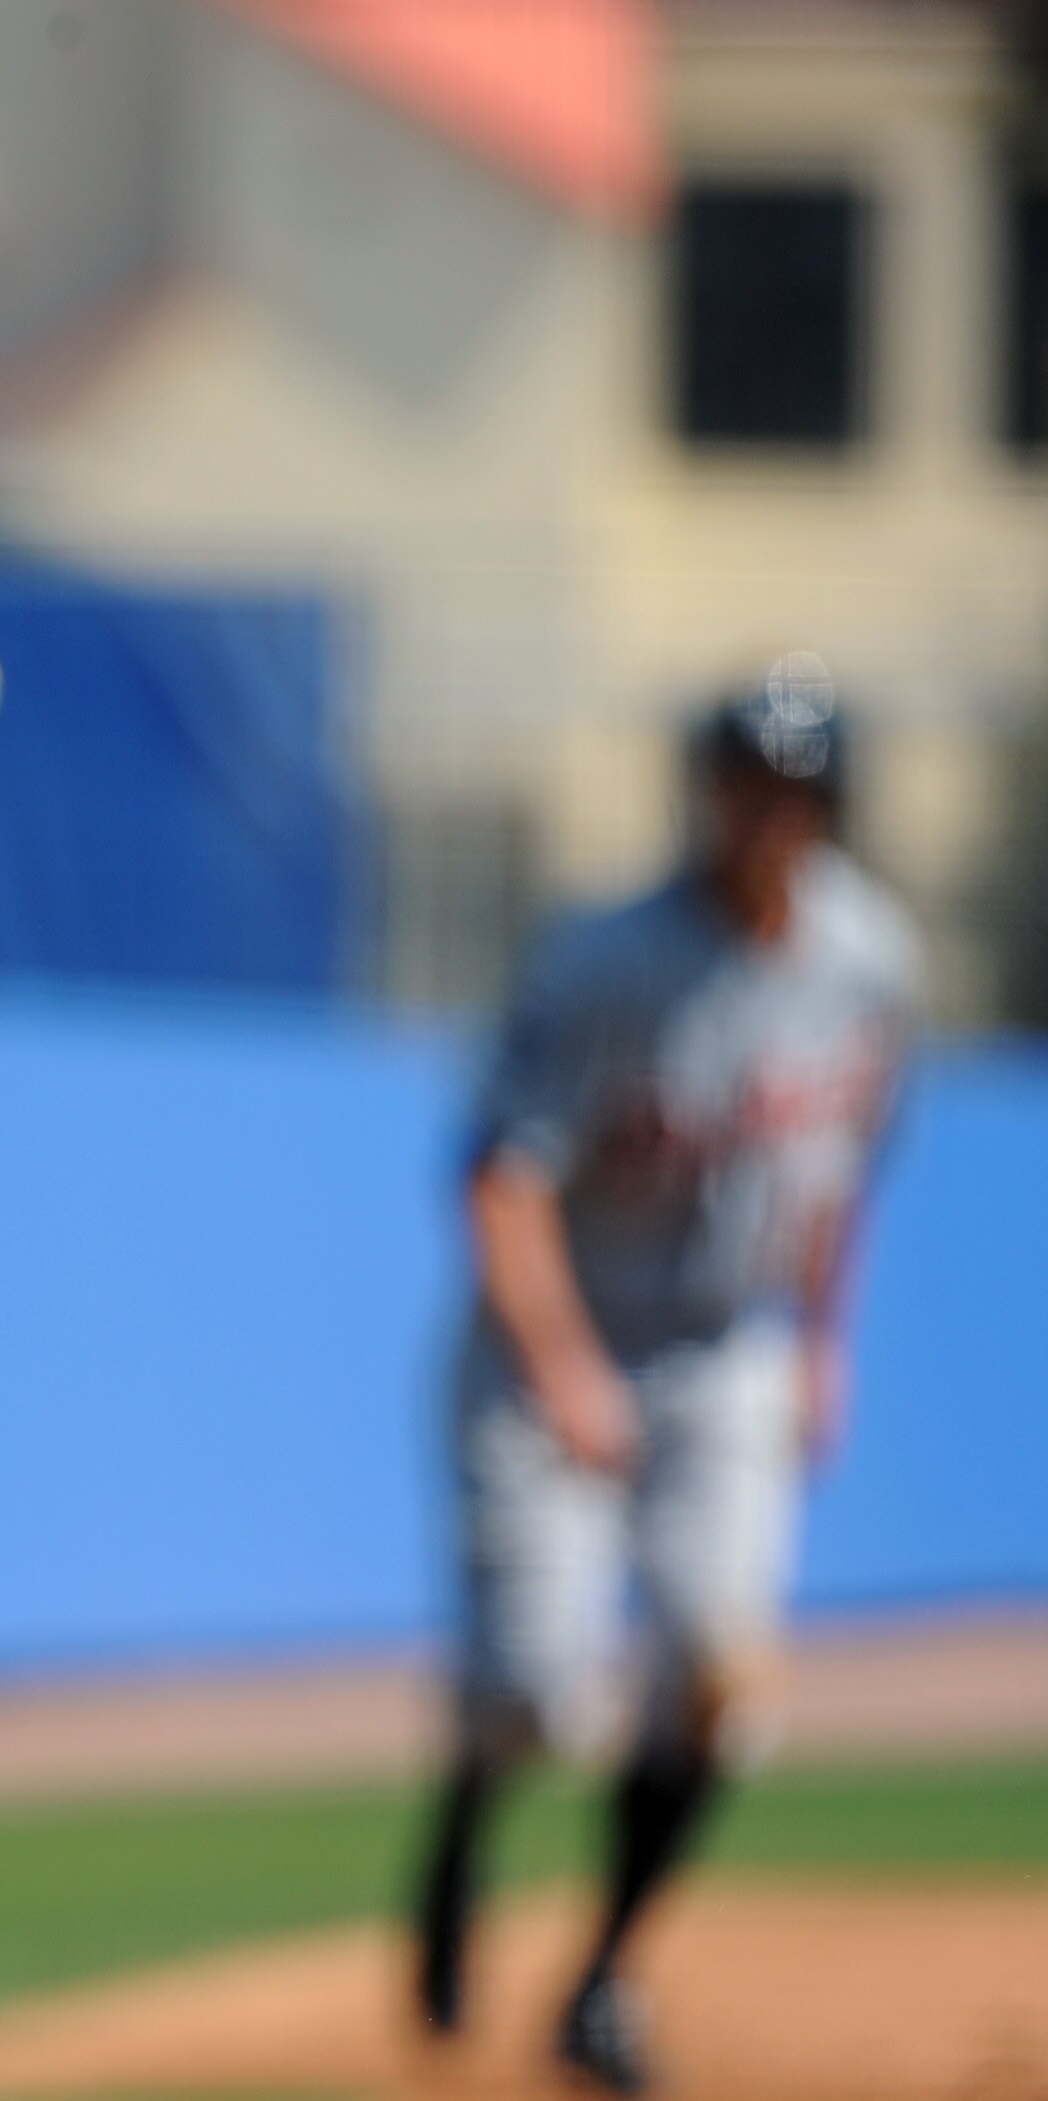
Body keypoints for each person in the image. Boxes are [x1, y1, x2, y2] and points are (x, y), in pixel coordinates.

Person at [412, 660, 921, 2093]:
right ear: (705, 797)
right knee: (536, 1698)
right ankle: (463, 1813)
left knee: (716, 1679)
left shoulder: (871, 960)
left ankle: (599, 1982)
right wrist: (569, 1374)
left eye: (799, 790)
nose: (772, 815)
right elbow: (501, 1186)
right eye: (748, 785)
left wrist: (823, 1345)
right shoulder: (601, 959)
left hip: (728, 1347)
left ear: (832, 809)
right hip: (558, 1335)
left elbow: (842, 1174)